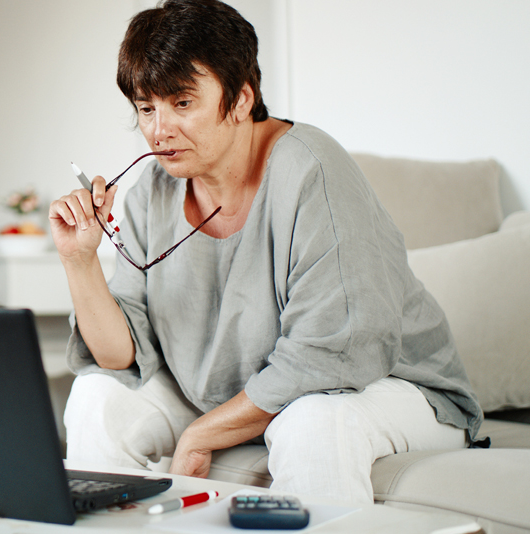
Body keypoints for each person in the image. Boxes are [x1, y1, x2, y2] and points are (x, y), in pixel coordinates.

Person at [48, 0, 483, 505]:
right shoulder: (153, 190)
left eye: (182, 103)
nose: (158, 130)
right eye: (147, 108)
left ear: (240, 99)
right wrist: (79, 259)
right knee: (96, 399)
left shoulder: (312, 172)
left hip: (387, 386)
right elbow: (121, 356)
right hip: (229, 394)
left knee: (313, 423)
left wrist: (204, 432)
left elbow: (329, 356)